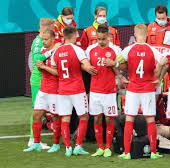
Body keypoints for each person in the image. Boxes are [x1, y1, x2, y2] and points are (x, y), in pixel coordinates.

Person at [117, 24, 163, 160]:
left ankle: (126, 152)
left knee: (129, 119)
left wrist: (124, 72)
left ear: (135, 34)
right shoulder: (152, 49)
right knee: (150, 119)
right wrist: (158, 78)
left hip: (133, 88)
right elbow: (164, 62)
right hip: (148, 88)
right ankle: (154, 152)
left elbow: (118, 62)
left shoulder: (128, 49)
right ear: (147, 35)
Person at [51, 26, 97, 157]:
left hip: (63, 89)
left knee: (65, 118)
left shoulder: (56, 52)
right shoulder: (77, 50)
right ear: (75, 35)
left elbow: (55, 70)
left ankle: (67, 148)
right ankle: (78, 146)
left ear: (64, 36)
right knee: (84, 116)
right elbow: (86, 65)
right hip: (77, 89)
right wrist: (89, 68)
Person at [85, 25, 122, 157]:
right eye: (98, 39)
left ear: (109, 36)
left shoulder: (116, 50)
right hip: (95, 91)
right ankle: (100, 147)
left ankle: (108, 147)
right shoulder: (90, 49)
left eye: (103, 39)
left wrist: (115, 64)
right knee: (96, 119)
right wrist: (87, 67)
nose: (101, 41)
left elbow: (124, 65)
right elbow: (83, 63)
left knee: (109, 119)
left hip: (110, 91)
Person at [24, 29, 60, 153]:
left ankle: (56, 144)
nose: (43, 42)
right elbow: (37, 58)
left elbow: (57, 73)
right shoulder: (44, 51)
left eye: (46, 39)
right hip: (43, 89)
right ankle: (36, 143)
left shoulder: (58, 52)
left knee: (55, 117)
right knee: (36, 115)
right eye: (43, 39)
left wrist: (44, 67)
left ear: (52, 39)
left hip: (54, 90)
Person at [28, 18, 55, 149]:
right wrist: (52, 51)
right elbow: (37, 58)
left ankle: (35, 139)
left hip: (42, 80)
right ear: (47, 28)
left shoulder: (40, 40)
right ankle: (33, 140)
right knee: (37, 111)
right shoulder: (39, 41)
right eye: (53, 27)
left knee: (41, 111)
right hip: (38, 80)